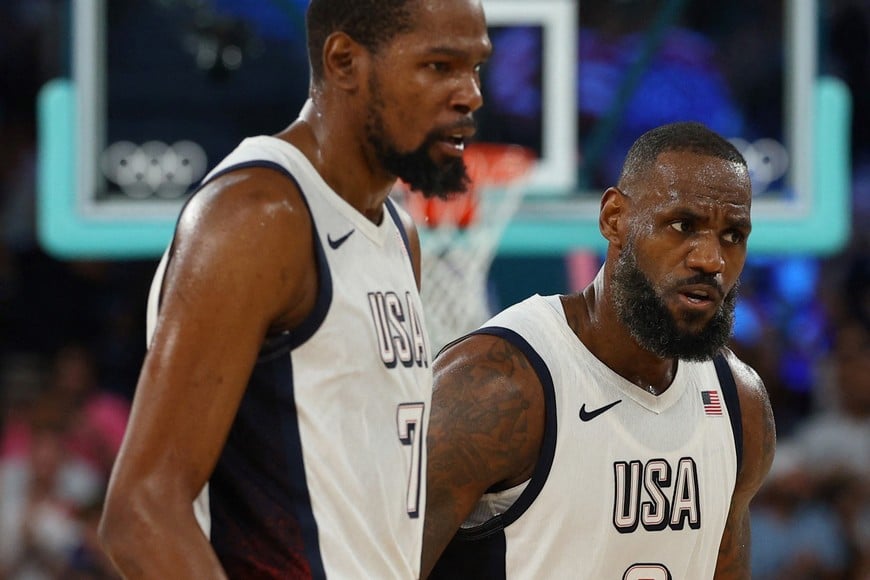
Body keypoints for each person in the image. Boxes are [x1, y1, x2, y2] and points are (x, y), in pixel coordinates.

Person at [98, 0, 491, 577]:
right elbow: (141, 512)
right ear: (344, 61)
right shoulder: (260, 214)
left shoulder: (396, 233)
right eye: (439, 66)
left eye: (475, 67)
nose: (470, 94)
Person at [422, 122, 777, 579]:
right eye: (683, 225)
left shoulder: (739, 404)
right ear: (614, 218)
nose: (711, 259)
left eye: (732, 235)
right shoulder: (498, 384)